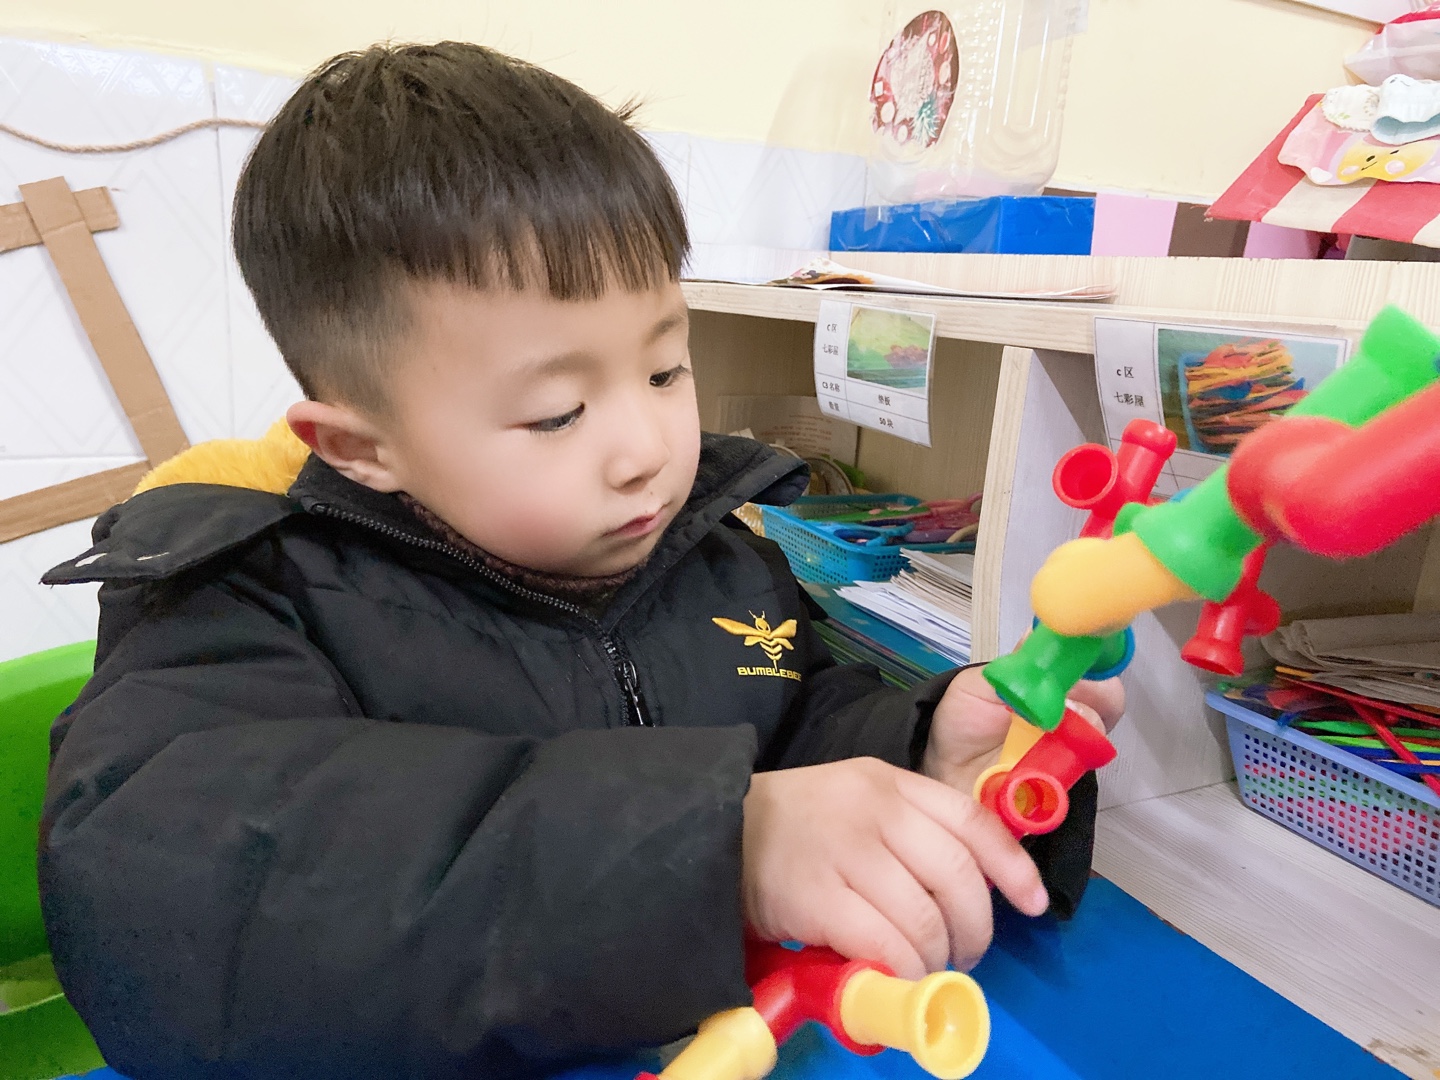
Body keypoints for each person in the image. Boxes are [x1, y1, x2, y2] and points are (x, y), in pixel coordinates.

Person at [39, 41, 1123, 1079]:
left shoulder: (718, 563)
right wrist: (718, 849)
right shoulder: (250, 599)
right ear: (363, 448)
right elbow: (163, 901)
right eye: (557, 412)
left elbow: (790, 726)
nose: (648, 449)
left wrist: (920, 755)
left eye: (665, 370)